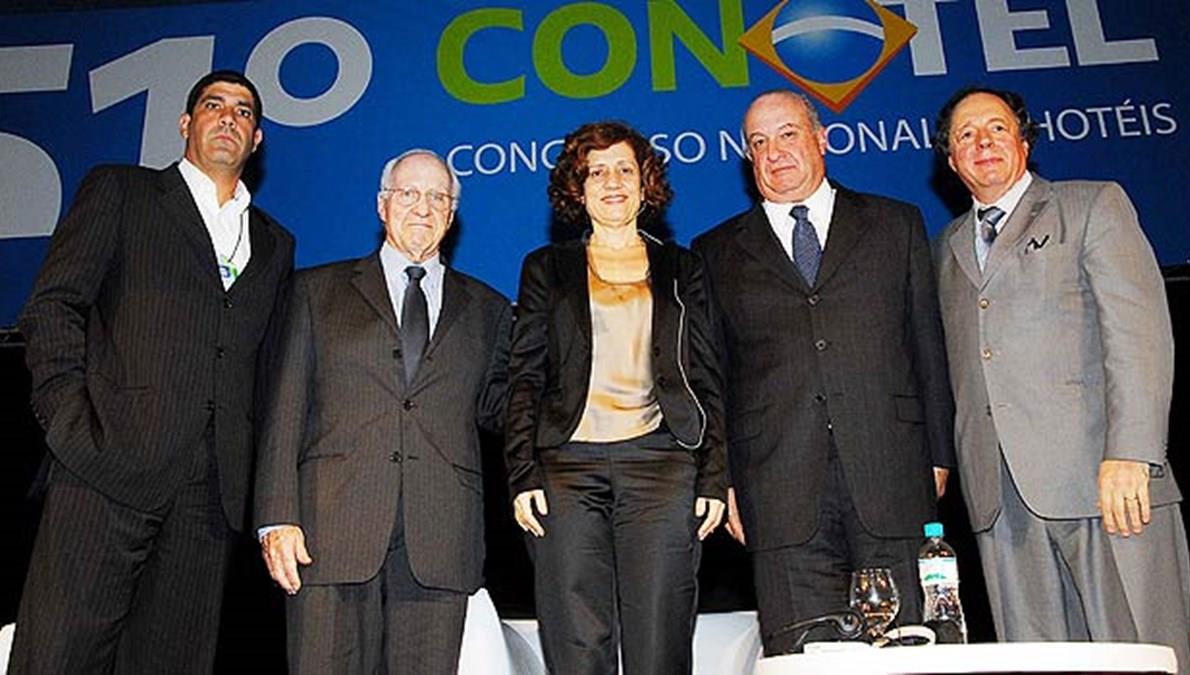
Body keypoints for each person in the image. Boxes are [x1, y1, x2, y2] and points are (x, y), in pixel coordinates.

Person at [12, 70, 294, 674]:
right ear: (186, 123)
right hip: (105, 468)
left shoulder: (275, 244)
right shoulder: (123, 191)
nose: (228, 117)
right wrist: (69, 421)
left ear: (257, 139)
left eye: (243, 111)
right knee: (58, 657)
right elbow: (53, 306)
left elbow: (270, 372)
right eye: (213, 105)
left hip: (210, 497)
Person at [934, 86, 1190, 673]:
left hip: (1106, 484)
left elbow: (1140, 334)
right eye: (966, 136)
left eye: (996, 128)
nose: (982, 142)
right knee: (1040, 663)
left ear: (1024, 142)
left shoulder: (1092, 205)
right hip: (1001, 504)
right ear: (951, 161)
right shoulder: (944, 248)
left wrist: (1132, 452)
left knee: (1142, 654)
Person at [692, 90, 955, 654]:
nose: (774, 153)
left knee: (910, 652)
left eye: (788, 134)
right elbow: (711, 378)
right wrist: (723, 480)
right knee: (802, 657)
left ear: (821, 139)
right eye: (759, 142)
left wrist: (938, 453)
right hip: (776, 489)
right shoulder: (714, 251)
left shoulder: (895, 224)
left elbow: (927, 345)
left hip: (892, 473)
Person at [254, 149, 511, 674]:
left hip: (441, 540)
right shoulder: (315, 292)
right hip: (330, 532)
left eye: (438, 197)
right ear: (382, 205)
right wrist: (276, 517)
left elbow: (503, 410)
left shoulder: (488, 309)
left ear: (452, 213)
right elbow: (283, 409)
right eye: (409, 193)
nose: (423, 207)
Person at [506, 121, 727, 674]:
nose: (612, 182)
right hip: (567, 471)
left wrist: (713, 476)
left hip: (661, 466)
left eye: (624, 169)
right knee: (578, 646)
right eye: (596, 172)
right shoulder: (545, 268)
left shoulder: (683, 267)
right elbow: (525, 376)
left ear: (645, 182)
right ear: (577, 189)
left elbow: (706, 375)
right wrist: (522, 473)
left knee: (660, 642)